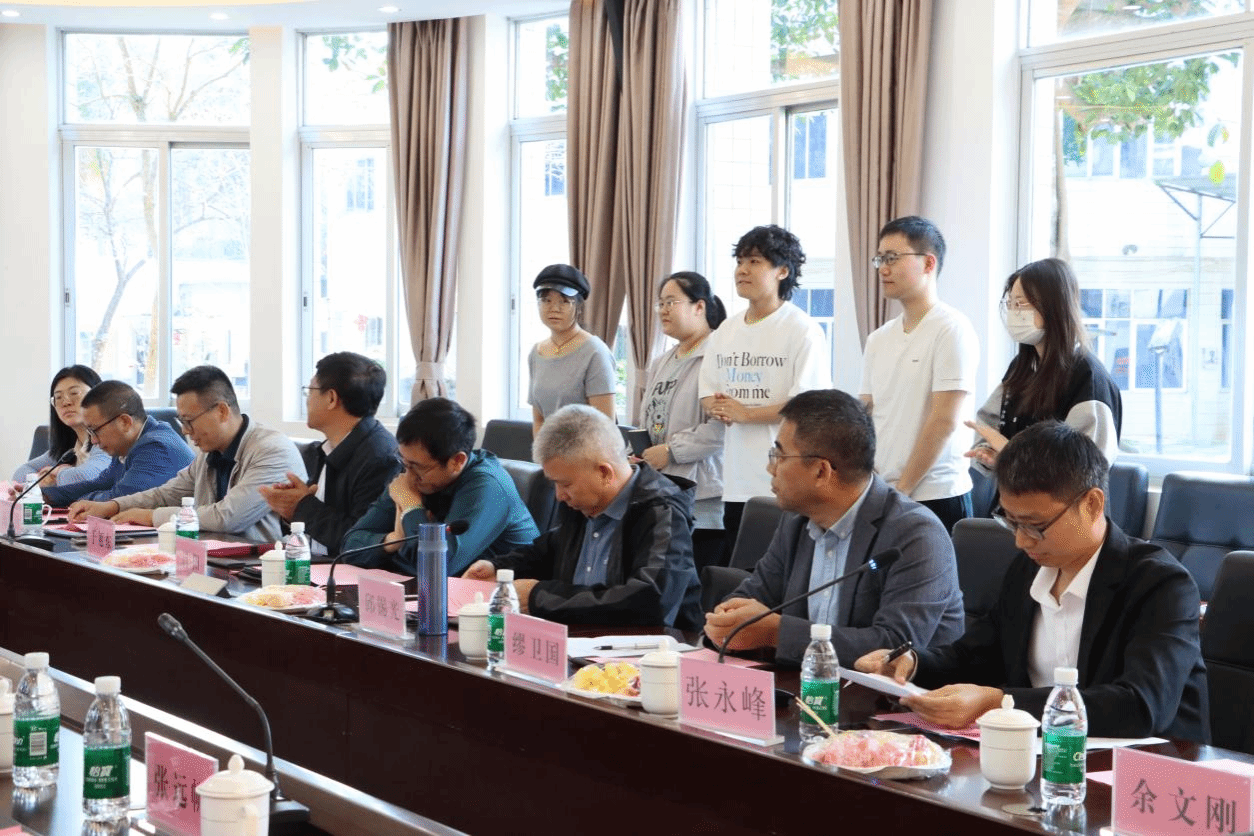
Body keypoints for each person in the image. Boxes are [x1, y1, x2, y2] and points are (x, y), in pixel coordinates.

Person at [856, 421, 1209, 743]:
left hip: (1146, 769)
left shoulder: (1160, 584)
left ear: (1091, 504)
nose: (1021, 540)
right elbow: (975, 656)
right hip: (1040, 755)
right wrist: (913, 663)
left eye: (1036, 526)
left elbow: (1141, 705)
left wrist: (1001, 702)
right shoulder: (1029, 570)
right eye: (1011, 522)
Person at [703, 389, 964, 666]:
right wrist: (728, 617)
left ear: (821, 471)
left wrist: (777, 633)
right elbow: (758, 593)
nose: (771, 468)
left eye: (778, 455)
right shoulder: (796, 521)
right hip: (805, 685)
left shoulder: (916, 535)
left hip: (894, 693)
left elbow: (894, 647)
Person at [463, 404, 702, 629]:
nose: (559, 496)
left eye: (565, 484)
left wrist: (540, 598)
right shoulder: (582, 504)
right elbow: (545, 551)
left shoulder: (661, 513)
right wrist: (497, 567)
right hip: (578, 642)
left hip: (649, 650)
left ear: (604, 473)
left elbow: (650, 602)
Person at [699, 224, 830, 548]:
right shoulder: (725, 331)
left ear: (782, 271)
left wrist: (746, 413)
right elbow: (707, 393)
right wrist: (717, 407)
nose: (742, 270)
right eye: (740, 261)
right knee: (740, 569)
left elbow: (809, 405)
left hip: (787, 482)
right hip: (735, 482)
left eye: (755, 261)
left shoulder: (802, 329)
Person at [68, 365, 305, 543]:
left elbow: (228, 517)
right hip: (211, 559)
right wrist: (113, 506)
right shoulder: (209, 452)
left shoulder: (272, 450)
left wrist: (151, 516)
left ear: (222, 411)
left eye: (189, 421)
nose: (184, 430)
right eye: (181, 421)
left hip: (263, 570)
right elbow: (167, 493)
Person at [860, 216, 979, 532]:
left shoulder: (951, 328)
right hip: (883, 492)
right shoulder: (878, 339)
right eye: (880, 259)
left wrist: (903, 490)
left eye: (892, 258)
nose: (882, 269)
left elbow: (944, 420)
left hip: (936, 494)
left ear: (928, 263)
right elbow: (866, 412)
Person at [341, 397, 539, 576]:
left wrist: (411, 507)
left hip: (499, 597)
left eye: (417, 467)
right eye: (404, 462)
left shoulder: (488, 486)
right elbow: (349, 546)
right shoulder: (412, 474)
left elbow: (435, 566)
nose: (408, 476)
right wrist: (393, 540)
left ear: (457, 461)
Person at [968, 257, 1121, 474]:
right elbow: (988, 424)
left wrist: (1010, 453)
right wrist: (991, 454)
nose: (1014, 312)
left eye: (1020, 303)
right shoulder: (1022, 367)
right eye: (1010, 304)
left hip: (1058, 498)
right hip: (1014, 494)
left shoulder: (1087, 377)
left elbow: (1085, 468)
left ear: (1054, 306)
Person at [259, 352, 399, 554]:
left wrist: (302, 506)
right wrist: (291, 512)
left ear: (331, 398)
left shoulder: (380, 458)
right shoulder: (329, 447)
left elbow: (360, 542)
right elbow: (318, 523)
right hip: (315, 564)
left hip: (344, 572)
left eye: (310, 390)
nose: (307, 400)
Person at [638, 271, 727, 571]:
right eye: (660, 303)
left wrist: (671, 451)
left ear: (699, 306)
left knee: (694, 577)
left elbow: (722, 428)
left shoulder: (719, 356)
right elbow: (651, 415)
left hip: (702, 494)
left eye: (671, 302)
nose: (663, 310)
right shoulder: (662, 361)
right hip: (663, 489)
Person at [41, 381, 193, 507]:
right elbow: (98, 484)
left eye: (95, 431)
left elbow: (121, 498)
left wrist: (82, 501)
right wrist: (43, 495)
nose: (93, 441)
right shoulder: (126, 445)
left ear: (124, 422)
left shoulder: (156, 447)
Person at [528, 263, 617, 435]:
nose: (554, 308)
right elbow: (539, 419)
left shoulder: (595, 352)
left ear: (578, 307)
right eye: (546, 300)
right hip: (548, 450)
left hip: (588, 449)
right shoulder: (536, 353)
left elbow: (605, 426)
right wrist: (543, 450)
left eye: (564, 301)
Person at [12, 365, 109, 490]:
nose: (66, 402)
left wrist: (58, 472)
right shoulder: (68, 447)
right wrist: (43, 480)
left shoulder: (107, 439)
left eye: (74, 393)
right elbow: (20, 473)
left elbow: (87, 476)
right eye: (58, 397)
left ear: (98, 395)